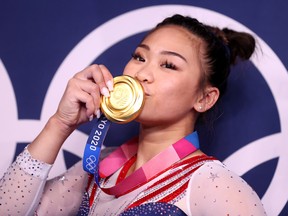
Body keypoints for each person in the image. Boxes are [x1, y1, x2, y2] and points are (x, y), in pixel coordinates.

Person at [0, 14, 266, 215]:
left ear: (204, 98)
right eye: (139, 57)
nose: (141, 74)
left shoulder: (211, 183)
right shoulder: (101, 169)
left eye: (168, 65)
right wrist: (59, 124)